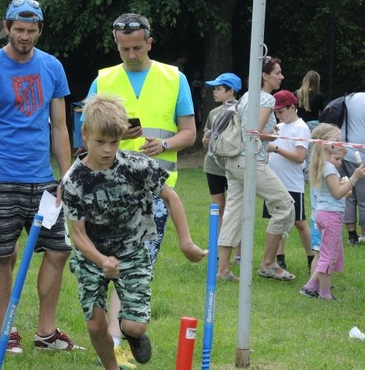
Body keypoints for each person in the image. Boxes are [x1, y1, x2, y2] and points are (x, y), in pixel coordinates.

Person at [62, 93, 207, 369]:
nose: (107, 149)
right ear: (84, 134)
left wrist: (186, 242)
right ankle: (111, 367)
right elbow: (78, 235)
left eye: (114, 142)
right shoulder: (73, 180)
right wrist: (102, 261)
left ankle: (131, 334)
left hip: (132, 252)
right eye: (100, 142)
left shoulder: (136, 166)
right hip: (92, 257)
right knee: (95, 325)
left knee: (136, 326)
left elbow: (171, 197)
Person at [85, 12, 196, 366]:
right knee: (112, 263)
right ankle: (126, 331)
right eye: (123, 48)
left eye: (136, 47)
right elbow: (85, 132)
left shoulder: (173, 78)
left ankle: (124, 333)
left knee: (137, 263)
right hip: (107, 189)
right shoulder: (103, 79)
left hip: (155, 192)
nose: (130, 55)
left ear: (149, 42)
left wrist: (163, 146)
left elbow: (189, 132)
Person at [0, 0, 81, 354]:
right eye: (19, 30)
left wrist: (65, 179)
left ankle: (46, 331)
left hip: (43, 181)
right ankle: (6, 329)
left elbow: (60, 128)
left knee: (59, 250)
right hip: (1, 181)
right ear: (7, 28)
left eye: (32, 31)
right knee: (2, 256)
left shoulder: (52, 67)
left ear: (40, 31)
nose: (25, 37)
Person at [217, 56, 296, 282]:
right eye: (278, 73)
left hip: (233, 162)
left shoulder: (245, 97)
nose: (281, 77)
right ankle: (269, 264)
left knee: (233, 214)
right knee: (285, 206)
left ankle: (223, 271)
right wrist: (274, 135)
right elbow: (254, 132)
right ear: (264, 75)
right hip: (250, 162)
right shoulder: (266, 99)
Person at [300, 124, 365, 300]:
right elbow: (337, 194)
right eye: (336, 140)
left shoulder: (325, 166)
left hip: (326, 214)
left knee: (331, 252)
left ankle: (310, 287)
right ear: (325, 143)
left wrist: (347, 186)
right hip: (331, 216)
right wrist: (354, 178)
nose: (340, 143)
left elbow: (337, 192)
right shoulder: (328, 168)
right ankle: (325, 294)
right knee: (328, 255)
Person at [266, 90, 313, 270]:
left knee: (299, 222)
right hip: (274, 181)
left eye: (280, 112)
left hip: (292, 183)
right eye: (275, 113)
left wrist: (275, 148)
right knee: (278, 220)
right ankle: (279, 259)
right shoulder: (280, 126)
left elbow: (300, 157)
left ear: (292, 107)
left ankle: (311, 259)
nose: (278, 116)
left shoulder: (301, 128)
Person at [202, 73, 242, 267]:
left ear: (231, 91)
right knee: (219, 208)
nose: (214, 92)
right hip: (213, 166)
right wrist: (206, 140)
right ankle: (219, 252)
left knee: (238, 209)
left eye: (218, 88)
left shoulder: (242, 111)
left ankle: (239, 253)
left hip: (234, 167)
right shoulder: (213, 113)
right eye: (214, 88)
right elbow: (205, 139)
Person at [336, 92, 365, 245]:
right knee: (363, 198)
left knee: (348, 195)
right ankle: (364, 235)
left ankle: (351, 236)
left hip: (343, 153)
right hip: (361, 156)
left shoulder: (349, 97)